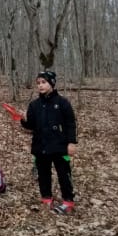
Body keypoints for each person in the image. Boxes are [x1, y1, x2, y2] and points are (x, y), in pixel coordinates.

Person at [20, 71, 77, 214]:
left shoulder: (62, 103)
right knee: (43, 174)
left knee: (64, 174)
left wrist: (71, 142)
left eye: (44, 82)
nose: (40, 85)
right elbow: (30, 125)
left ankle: (68, 202)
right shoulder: (34, 105)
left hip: (60, 147)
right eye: (38, 83)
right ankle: (46, 199)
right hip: (40, 147)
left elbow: (71, 123)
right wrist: (23, 120)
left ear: (52, 83)